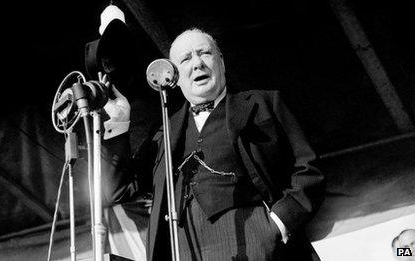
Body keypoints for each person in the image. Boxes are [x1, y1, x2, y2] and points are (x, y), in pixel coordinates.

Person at [101, 28, 326, 261]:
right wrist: (117, 124)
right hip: (184, 248)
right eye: (186, 58)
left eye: (205, 53)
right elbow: (119, 190)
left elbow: (309, 169)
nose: (197, 63)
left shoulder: (264, 104)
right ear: (173, 77)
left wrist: (278, 223)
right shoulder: (164, 133)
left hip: (255, 239)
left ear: (222, 63)